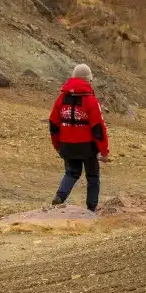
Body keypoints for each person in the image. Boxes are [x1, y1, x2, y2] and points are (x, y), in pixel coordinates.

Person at [49, 64, 109, 213]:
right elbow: (98, 128)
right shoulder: (91, 100)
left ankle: (59, 197)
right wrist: (104, 150)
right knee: (93, 176)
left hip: (67, 144)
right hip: (87, 147)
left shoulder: (61, 98)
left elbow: (53, 124)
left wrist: (57, 145)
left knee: (71, 173)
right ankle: (91, 209)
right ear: (89, 80)